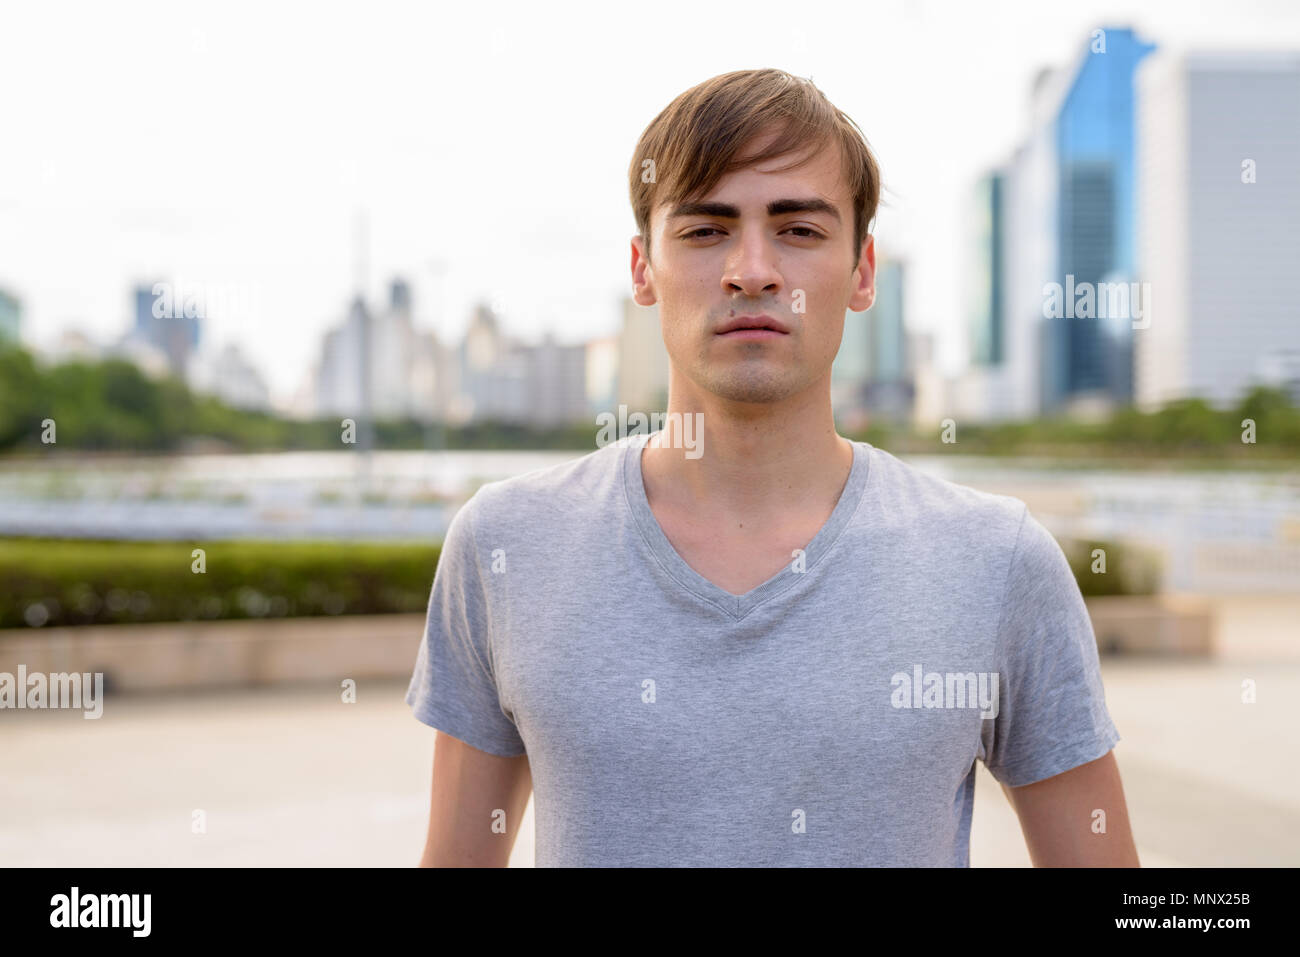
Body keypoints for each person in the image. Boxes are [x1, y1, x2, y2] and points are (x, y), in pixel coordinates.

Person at [407, 68, 1138, 867]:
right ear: (641, 267)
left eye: (798, 230)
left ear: (862, 272)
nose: (752, 270)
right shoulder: (508, 544)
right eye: (705, 229)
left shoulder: (996, 560)